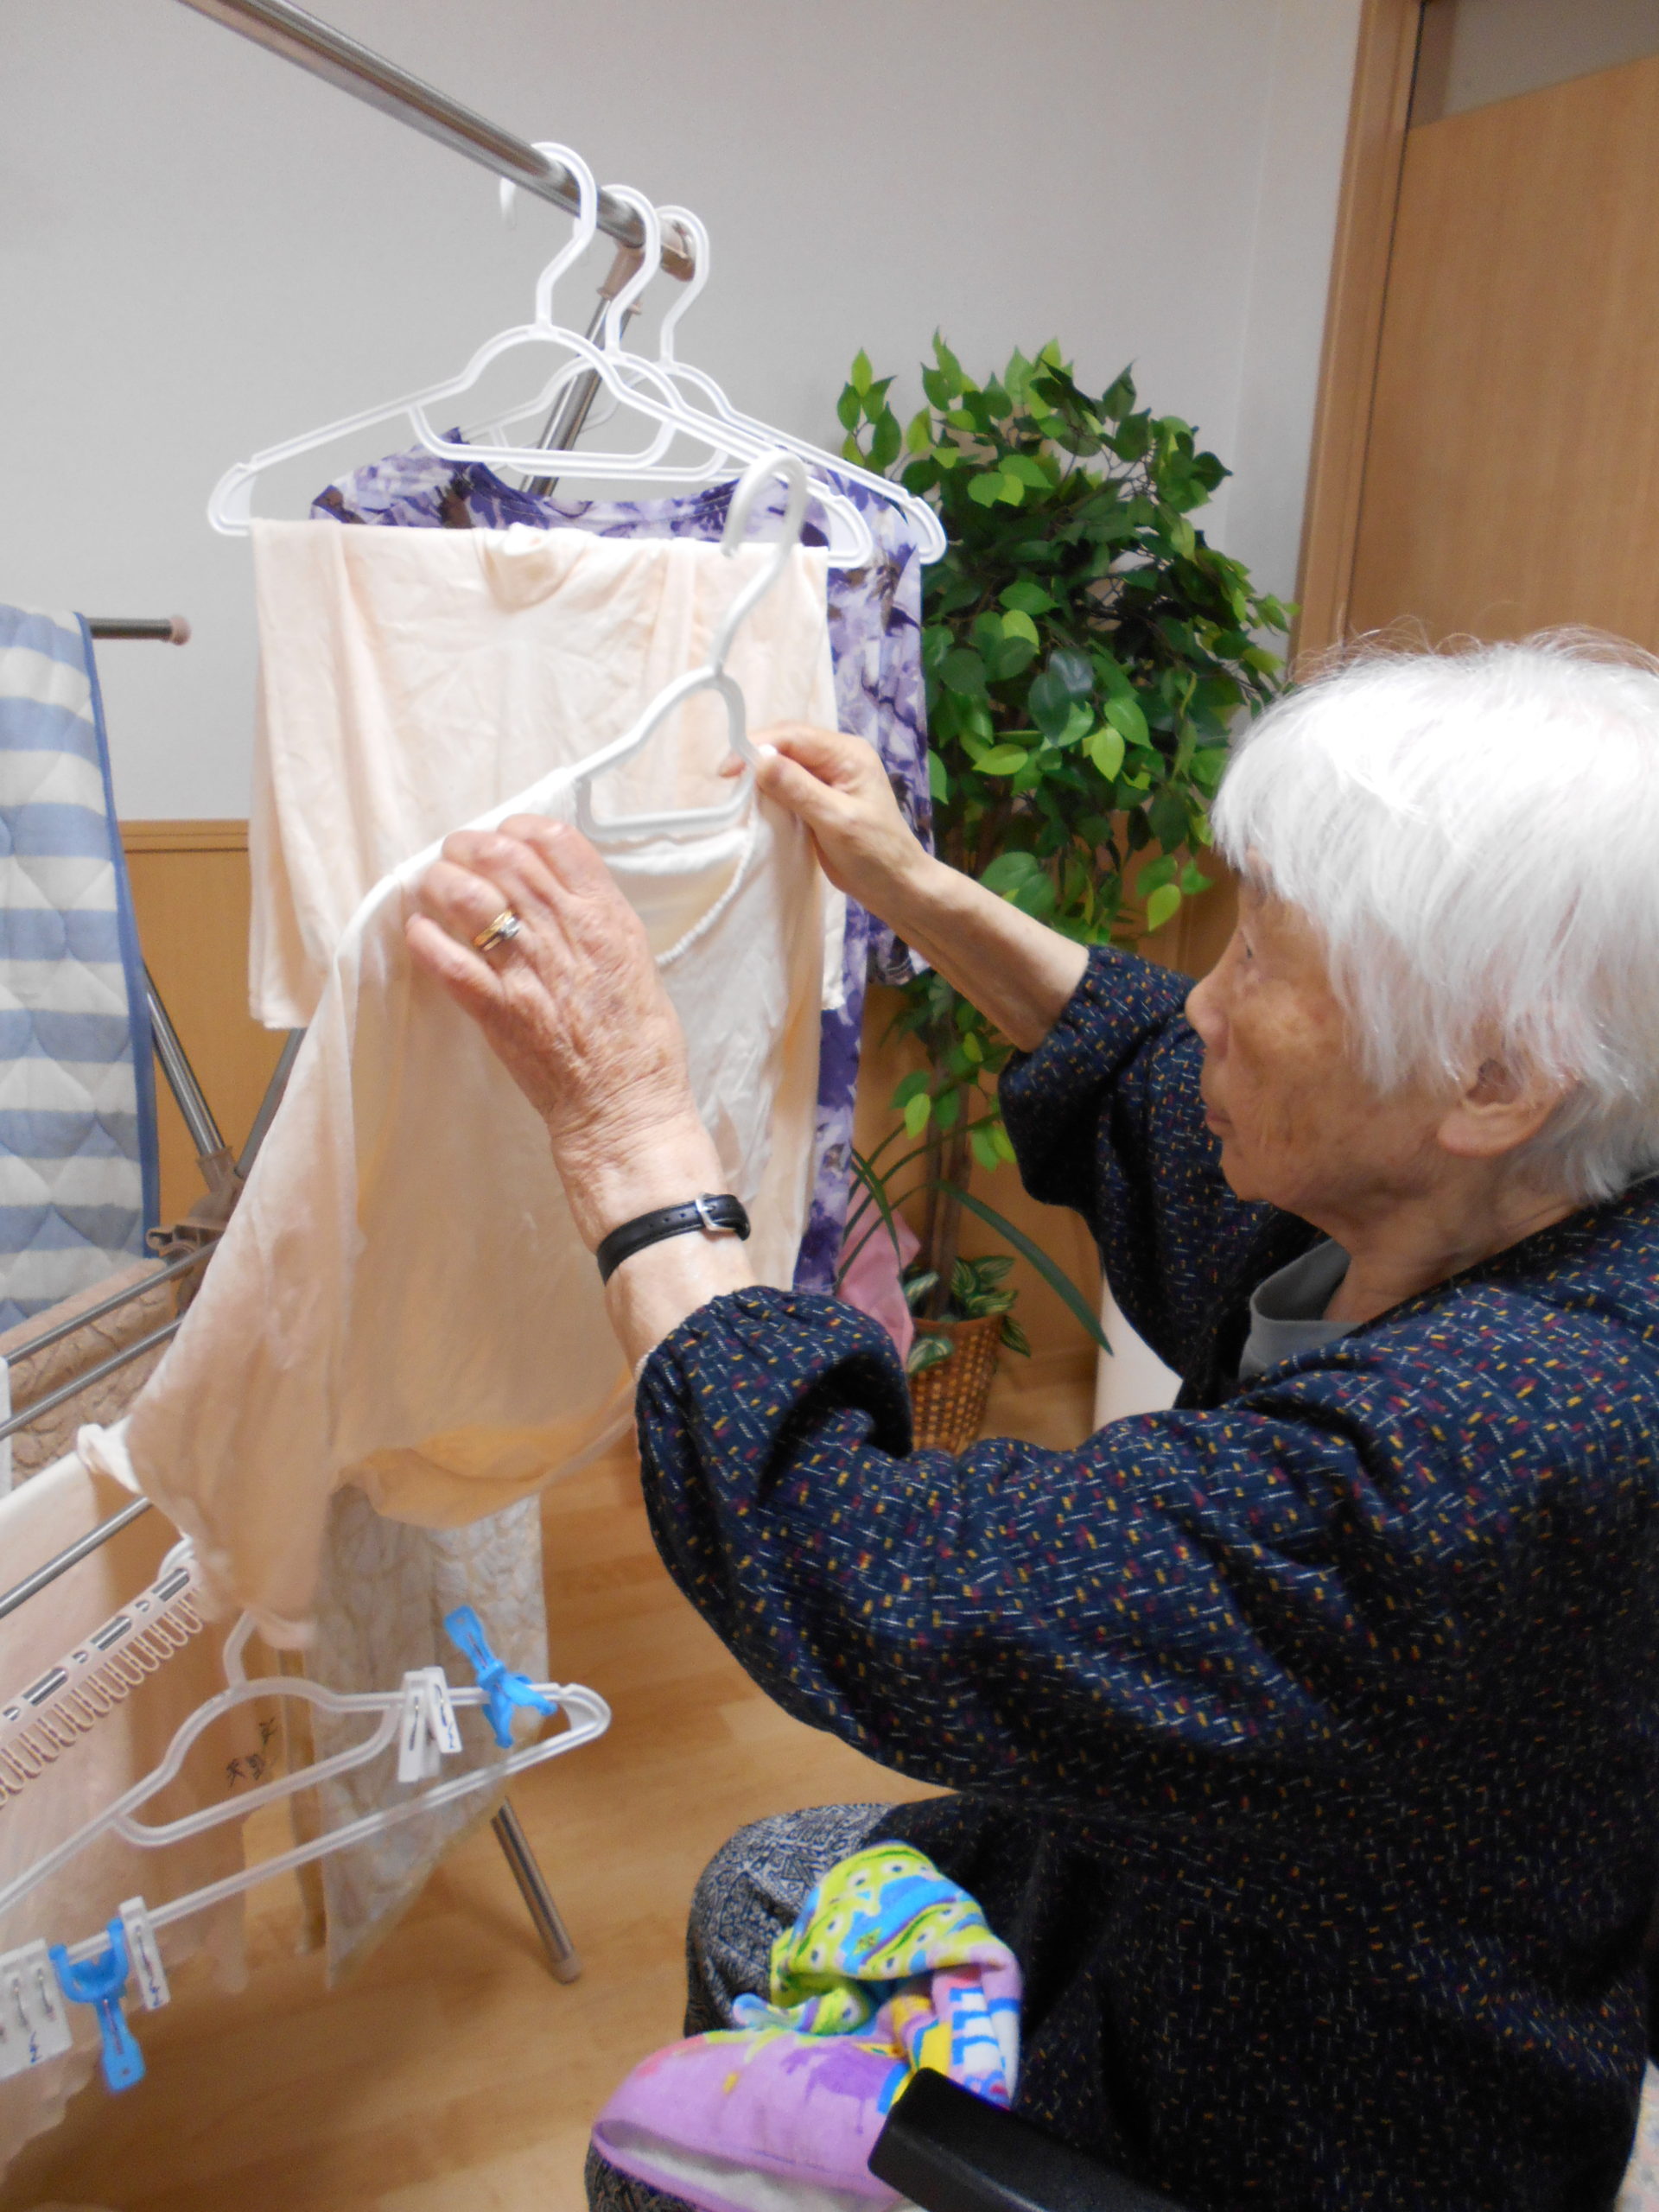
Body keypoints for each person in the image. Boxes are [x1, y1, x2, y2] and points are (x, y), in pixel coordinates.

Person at [407, 635, 1659, 2212]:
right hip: (1274, 1898)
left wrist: (628, 1133)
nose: (1206, 1004)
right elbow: (1154, 1078)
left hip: (1291, 2107)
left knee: (738, 1968)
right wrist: (909, 885)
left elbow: (870, 1563)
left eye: (1263, 962)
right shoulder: (1519, 1203)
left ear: (1493, 1080)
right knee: (772, 1885)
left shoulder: (1486, 1453)